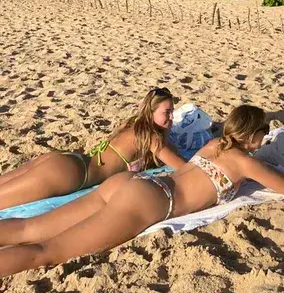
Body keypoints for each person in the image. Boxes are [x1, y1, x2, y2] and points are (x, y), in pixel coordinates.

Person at [0, 105, 284, 276]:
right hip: (151, 201)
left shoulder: (212, 146)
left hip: (130, 183)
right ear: (255, 135)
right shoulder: (246, 162)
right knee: (47, 252)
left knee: (30, 228)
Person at [0, 87, 186, 210]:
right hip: (70, 175)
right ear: (150, 112)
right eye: (166, 113)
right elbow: (182, 166)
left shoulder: (131, 124)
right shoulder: (151, 137)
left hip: (66, 161)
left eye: (172, 112)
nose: (171, 118)